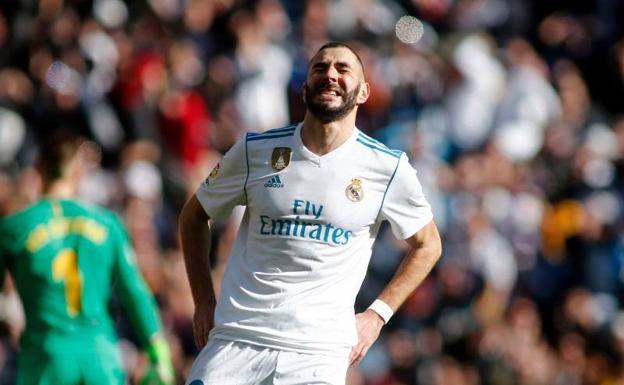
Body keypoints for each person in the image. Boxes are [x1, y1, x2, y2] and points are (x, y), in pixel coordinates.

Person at [179, 41, 442, 385]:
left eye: (343, 69)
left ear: (363, 92)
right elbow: (194, 216)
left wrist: (377, 315)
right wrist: (202, 301)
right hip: (237, 339)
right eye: (320, 68)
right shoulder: (255, 150)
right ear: (304, 89)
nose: (330, 74)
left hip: (317, 353)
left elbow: (428, 244)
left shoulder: (387, 167)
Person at [0, 136, 175, 385]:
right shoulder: (108, 224)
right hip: (99, 357)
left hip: (46, 358)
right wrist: (158, 352)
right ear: (78, 172)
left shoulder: (13, 228)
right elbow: (134, 292)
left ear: (38, 169)